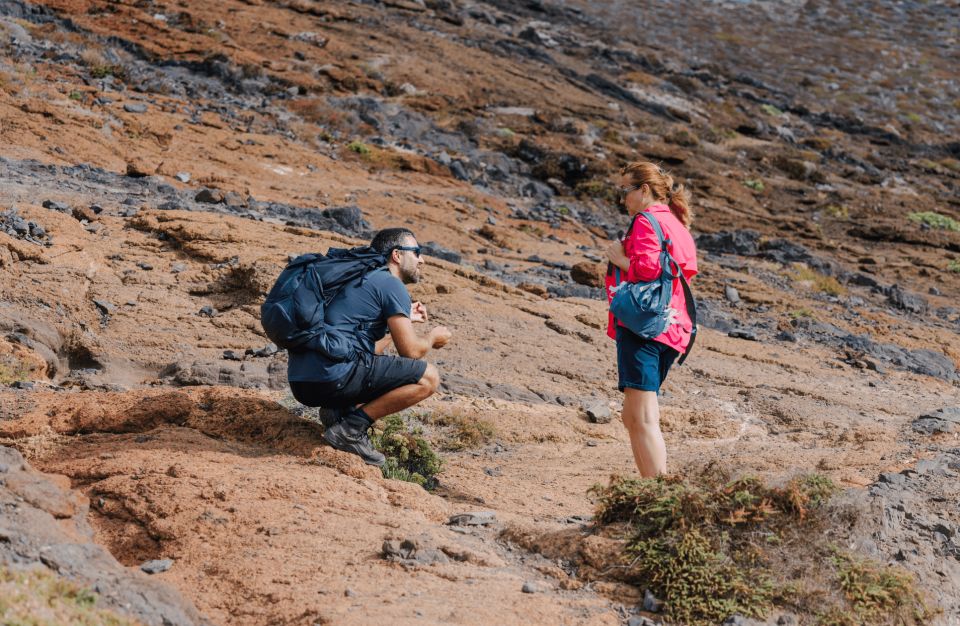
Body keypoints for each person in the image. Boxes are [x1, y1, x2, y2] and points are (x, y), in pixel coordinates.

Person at [287, 228, 452, 466]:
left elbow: (367, 351)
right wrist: (433, 338)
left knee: (368, 364)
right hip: (332, 376)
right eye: (416, 252)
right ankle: (351, 429)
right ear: (397, 255)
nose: (422, 259)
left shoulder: (358, 280)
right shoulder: (390, 284)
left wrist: (397, 321)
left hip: (303, 383)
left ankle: (338, 413)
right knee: (429, 378)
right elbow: (412, 351)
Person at [605, 162, 698, 477]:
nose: (623, 199)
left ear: (643, 189)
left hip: (644, 327)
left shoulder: (646, 220)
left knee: (643, 417)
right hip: (672, 328)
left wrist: (618, 259)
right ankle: (648, 489)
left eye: (626, 190)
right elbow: (685, 272)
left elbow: (647, 270)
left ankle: (659, 495)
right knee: (632, 416)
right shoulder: (677, 225)